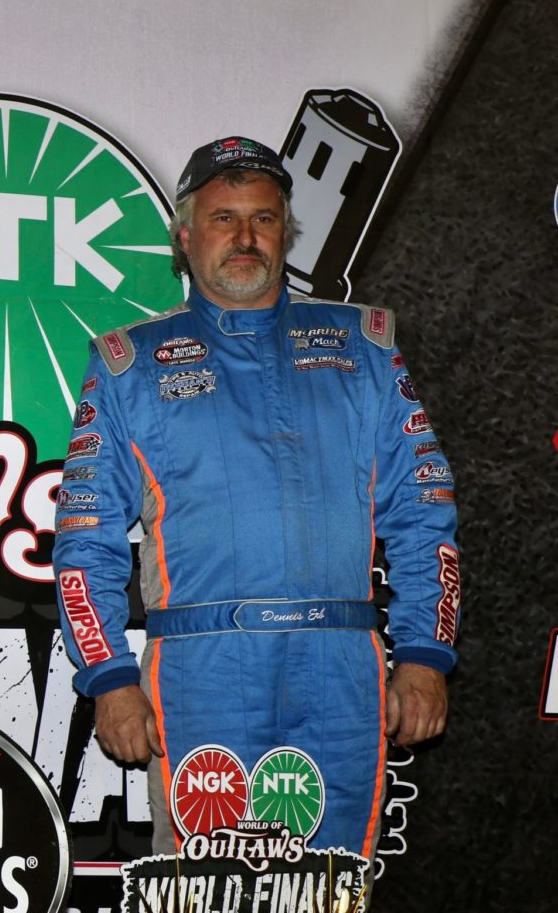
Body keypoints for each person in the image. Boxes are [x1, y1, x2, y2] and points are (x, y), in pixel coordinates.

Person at [52, 136, 461, 864]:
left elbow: (423, 513)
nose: (245, 238)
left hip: (341, 672)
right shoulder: (128, 364)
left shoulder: (362, 349)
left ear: (285, 232)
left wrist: (427, 655)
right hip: (202, 673)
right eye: (223, 218)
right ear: (184, 236)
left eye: (264, 219)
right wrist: (109, 678)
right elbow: (85, 541)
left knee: (332, 893)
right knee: (203, 893)